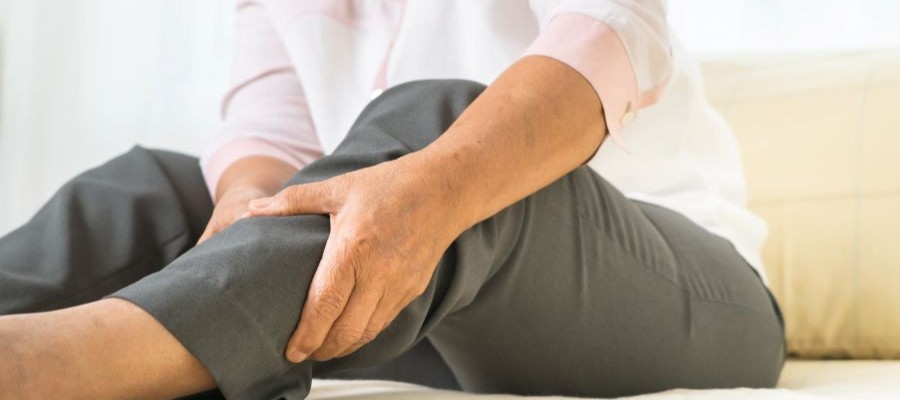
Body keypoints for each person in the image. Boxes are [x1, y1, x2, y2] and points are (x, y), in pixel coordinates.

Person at [0, 1, 786, 399]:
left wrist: (434, 184)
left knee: (441, 134)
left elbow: (613, 36)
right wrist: (242, 202)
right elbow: (269, 121)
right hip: (418, 309)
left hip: (680, 297)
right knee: (160, 188)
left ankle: (39, 366)